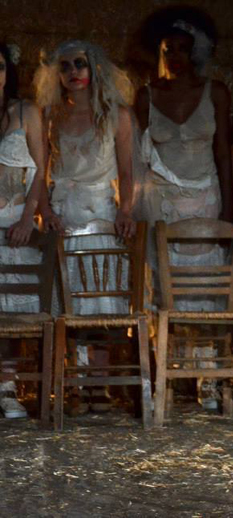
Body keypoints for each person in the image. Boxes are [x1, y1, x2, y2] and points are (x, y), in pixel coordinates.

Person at [33, 40, 138, 412]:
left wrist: (125, 211)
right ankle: (74, 383)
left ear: (94, 68)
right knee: (68, 298)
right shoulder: (50, 115)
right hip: (63, 212)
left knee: (100, 297)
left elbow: (127, 171)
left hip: (100, 212)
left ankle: (100, 382)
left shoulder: (116, 115)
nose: (73, 72)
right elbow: (40, 171)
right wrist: (45, 210)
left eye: (79, 64)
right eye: (65, 66)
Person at [135, 13, 232, 410]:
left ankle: (208, 376)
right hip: (162, 202)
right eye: (168, 49)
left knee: (204, 282)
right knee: (166, 281)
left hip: (205, 195)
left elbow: (223, 152)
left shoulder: (216, 92)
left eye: (182, 49)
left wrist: (229, 206)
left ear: (196, 52)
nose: (175, 56)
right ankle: (170, 374)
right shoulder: (146, 96)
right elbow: (138, 158)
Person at [0, 42, 47, 419]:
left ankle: (7, 387)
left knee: (13, 311)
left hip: (15, 220)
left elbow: (41, 170)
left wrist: (29, 217)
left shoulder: (26, 111)